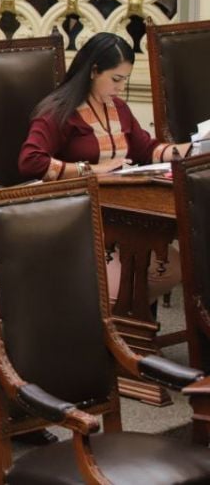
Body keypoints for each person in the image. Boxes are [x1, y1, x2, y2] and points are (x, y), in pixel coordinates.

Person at [19, 32, 189, 300]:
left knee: (171, 267)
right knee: (113, 290)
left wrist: (195, 148)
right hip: (77, 223)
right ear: (93, 70)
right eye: (116, 79)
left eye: (125, 80)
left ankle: (128, 326)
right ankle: (110, 329)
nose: (120, 88)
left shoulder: (117, 109)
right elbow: (30, 161)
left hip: (121, 217)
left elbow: (148, 150)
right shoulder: (59, 111)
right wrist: (91, 169)